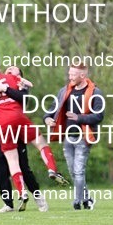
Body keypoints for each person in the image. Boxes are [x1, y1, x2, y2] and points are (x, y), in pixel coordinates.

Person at [0, 61, 68, 205]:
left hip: (2, 124)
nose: (10, 70)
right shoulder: (13, 79)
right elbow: (29, 84)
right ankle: (52, 169)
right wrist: (17, 82)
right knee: (41, 144)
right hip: (19, 119)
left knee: (13, 162)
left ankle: (22, 192)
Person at [44, 64, 105, 210]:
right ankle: (87, 199)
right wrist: (47, 119)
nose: (70, 77)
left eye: (73, 74)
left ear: (82, 76)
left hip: (84, 136)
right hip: (68, 137)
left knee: (79, 171)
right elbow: (51, 110)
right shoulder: (64, 91)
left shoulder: (96, 92)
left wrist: (79, 118)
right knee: (73, 171)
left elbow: (99, 116)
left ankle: (77, 201)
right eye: (69, 74)